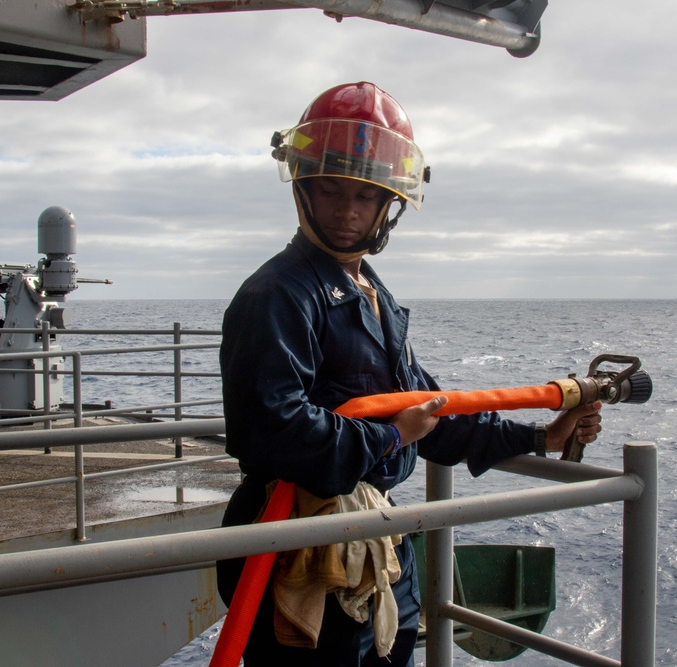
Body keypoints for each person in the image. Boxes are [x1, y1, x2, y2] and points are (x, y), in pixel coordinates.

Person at [217, 81, 603, 667]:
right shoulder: (276, 295)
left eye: (365, 197)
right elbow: (271, 430)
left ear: (389, 203)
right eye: (332, 191)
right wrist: (393, 436)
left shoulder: (371, 295)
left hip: (371, 551)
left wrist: (541, 438)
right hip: (299, 552)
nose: (348, 211)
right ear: (303, 190)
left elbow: (429, 411)